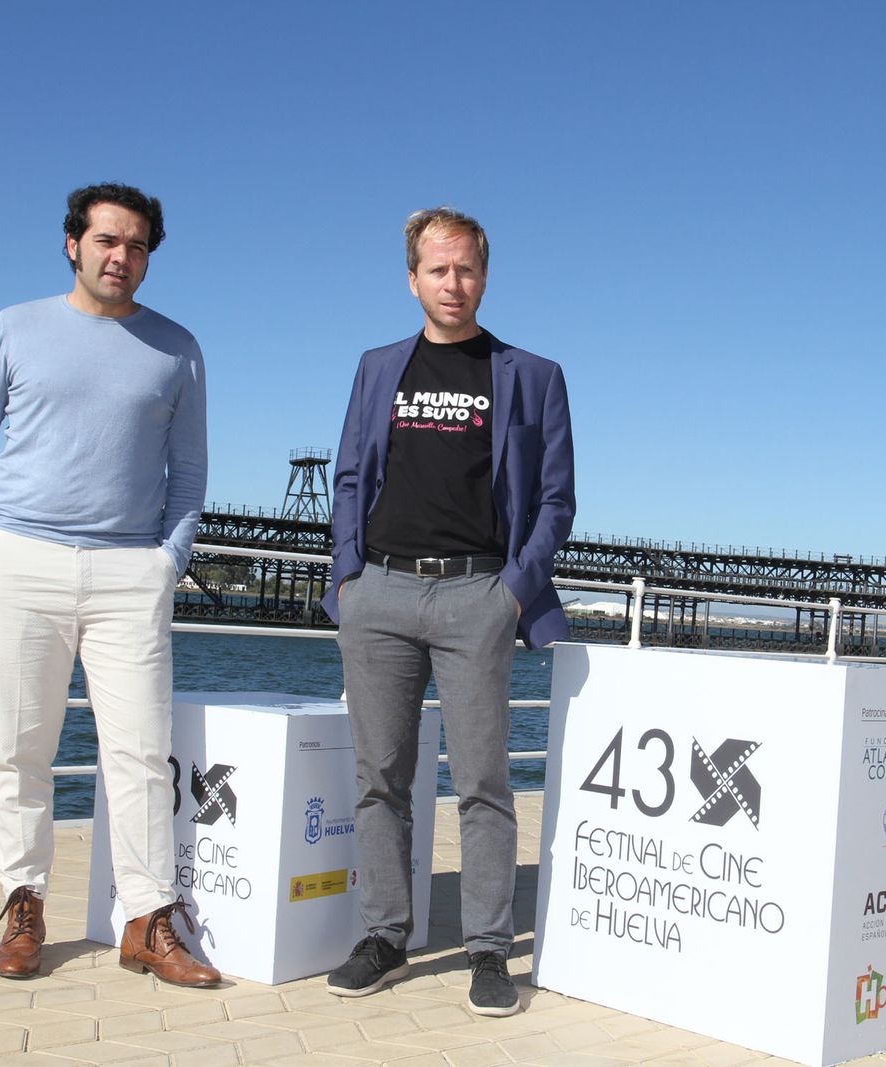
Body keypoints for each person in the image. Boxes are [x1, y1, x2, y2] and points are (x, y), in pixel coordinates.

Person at [0, 182, 217, 986]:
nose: (120, 257)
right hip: (20, 560)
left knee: (138, 752)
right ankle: (23, 904)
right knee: (22, 748)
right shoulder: (13, 327)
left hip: (130, 569)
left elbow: (189, 472)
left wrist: (167, 559)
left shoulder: (178, 347)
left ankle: (147, 918)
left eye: (135, 246)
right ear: (73, 243)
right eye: (106, 240)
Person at [322, 207, 576, 1016]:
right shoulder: (376, 367)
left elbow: (556, 501)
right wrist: (347, 579)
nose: (453, 284)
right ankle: (386, 936)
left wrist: (511, 593)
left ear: (484, 275)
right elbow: (351, 478)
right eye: (437, 270)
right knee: (379, 779)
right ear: (413, 278)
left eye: (465, 269)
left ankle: (489, 950)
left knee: (483, 783)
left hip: (478, 594)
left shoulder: (531, 374)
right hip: (382, 592)